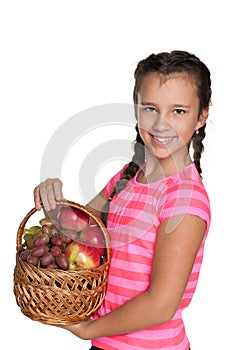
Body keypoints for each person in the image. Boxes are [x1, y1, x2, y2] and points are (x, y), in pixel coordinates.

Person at [34, 50, 211, 350]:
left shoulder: (185, 199)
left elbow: (161, 304)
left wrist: (89, 329)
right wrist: (53, 196)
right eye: (150, 109)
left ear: (201, 117)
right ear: (136, 109)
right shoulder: (129, 175)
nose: (160, 124)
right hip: (105, 344)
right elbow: (78, 230)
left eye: (178, 111)